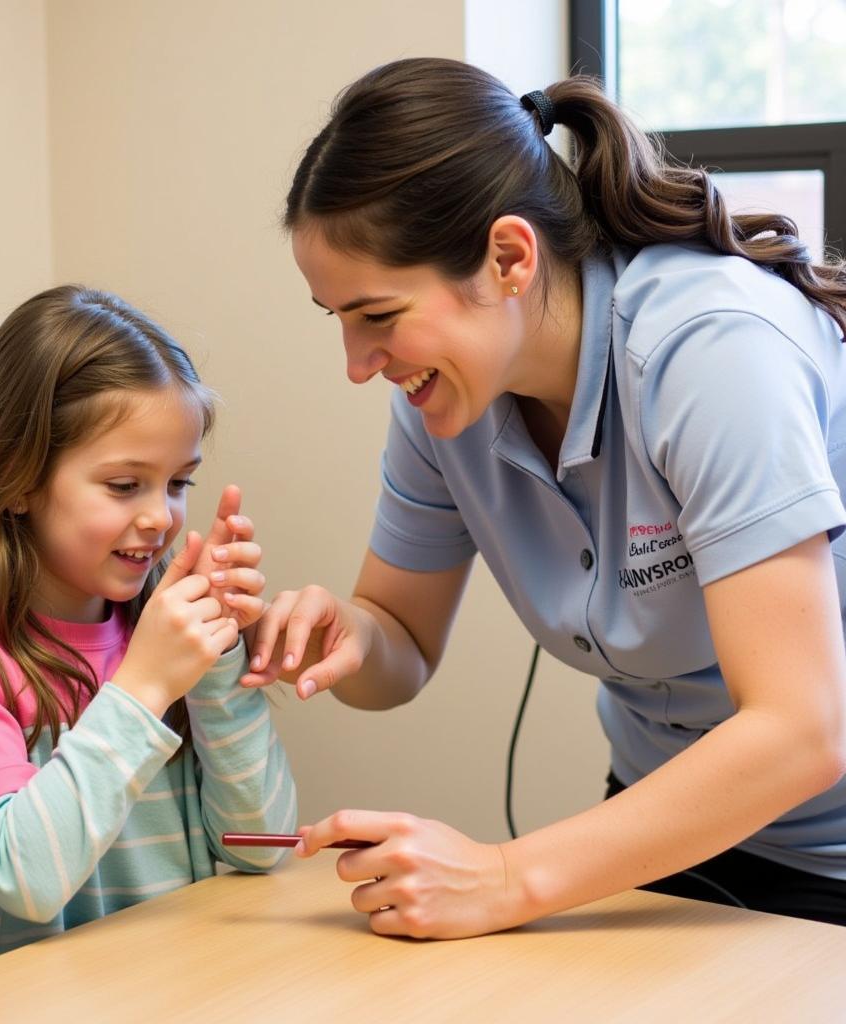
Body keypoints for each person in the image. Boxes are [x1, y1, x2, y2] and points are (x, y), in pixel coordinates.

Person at [241, 57, 846, 938]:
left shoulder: (709, 350)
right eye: (336, 319)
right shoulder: (444, 405)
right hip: (664, 836)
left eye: (377, 315)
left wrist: (504, 877)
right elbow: (400, 643)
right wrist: (346, 633)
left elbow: (801, 730)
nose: (357, 365)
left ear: (510, 257)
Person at [0, 285, 296, 975]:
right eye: (125, 485)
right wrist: (146, 682)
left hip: (175, 988)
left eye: (178, 483)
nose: (162, 517)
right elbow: (26, 878)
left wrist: (216, 663)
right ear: (16, 479)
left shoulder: (156, 630)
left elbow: (262, 845)